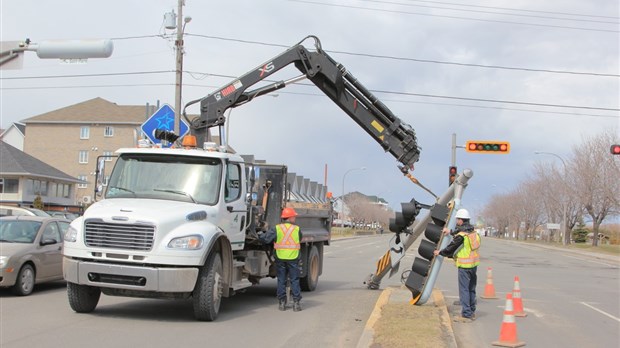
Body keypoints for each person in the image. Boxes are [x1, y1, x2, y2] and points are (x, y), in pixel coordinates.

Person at [433, 208, 481, 322]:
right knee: (471, 289)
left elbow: (451, 247)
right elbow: (461, 233)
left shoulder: (461, 236)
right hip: (474, 266)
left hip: (464, 267)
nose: (456, 221)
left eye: (457, 219)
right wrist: (450, 231)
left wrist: (440, 252)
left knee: (464, 290)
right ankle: (472, 311)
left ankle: (466, 315)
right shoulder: (473, 233)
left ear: (460, 220)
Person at [259, 207, 303, 312]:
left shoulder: (277, 228)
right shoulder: (297, 229)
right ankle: (296, 304)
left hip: (280, 258)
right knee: (294, 280)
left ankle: (282, 303)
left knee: (281, 280)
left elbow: (266, 239)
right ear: (290, 217)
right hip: (293, 258)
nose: (295, 218)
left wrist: (259, 235)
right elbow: (299, 239)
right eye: (294, 216)